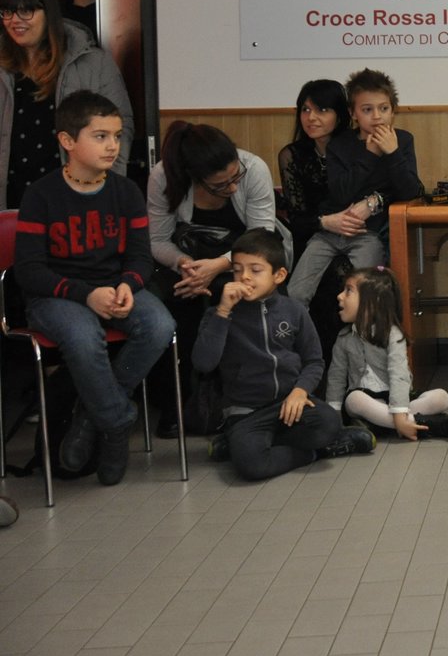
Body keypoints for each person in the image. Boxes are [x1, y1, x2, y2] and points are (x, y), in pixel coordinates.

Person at [14, 90, 175, 487]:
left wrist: (126, 285)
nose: (113, 146)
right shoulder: (41, 195)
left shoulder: (125, 192)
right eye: (100, 136)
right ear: (68, 141)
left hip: (113, 287)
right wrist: (84, 294)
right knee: (84, 336)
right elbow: (29, 271)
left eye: (117, 136)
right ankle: (117, 420)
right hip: (56, 296)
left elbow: (140, 259)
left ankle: (93, 414)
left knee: (160, 324)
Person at [191, 228, 373, 480]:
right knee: (252, 466)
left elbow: (313, 361)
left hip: (290, 404)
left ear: (279, 275)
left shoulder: (294, 310)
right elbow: (203, 363)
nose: (244, 277)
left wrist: (299, 392)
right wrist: (223, 312)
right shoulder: (218, 315)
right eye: (237, 269)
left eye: (255, 270)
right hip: (247, 412)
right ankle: (314, 453)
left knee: (329, 423)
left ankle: (243, 445)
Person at [146, 121, 280, 437]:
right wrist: (187, 265)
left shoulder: (254, 168)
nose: (233, 187)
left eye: (236, 178)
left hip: (248, 258)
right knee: (180, 302)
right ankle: (180, 405)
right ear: (195, 178)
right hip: (189, 261)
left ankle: (246, 402)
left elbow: (263, 235)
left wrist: (218, 266)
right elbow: (157, 239)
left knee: (245, 297)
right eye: (222, 184)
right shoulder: (164, 176)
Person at [286, 69, 423, 306]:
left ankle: (368, 341)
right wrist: (369, 155)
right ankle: (298, 341)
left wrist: (392, 152)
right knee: (296, 293)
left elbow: (411, 191)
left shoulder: (403, 140)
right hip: (327, 235)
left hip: (367, 235)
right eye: (367, 110)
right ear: (353, 113)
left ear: (394, 110)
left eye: (384, 108)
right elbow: (341, 193)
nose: (377, 117)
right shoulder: (340, 145)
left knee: (369, 293)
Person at [0, 0, 133, 209]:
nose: (15, 20)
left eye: (26, 11)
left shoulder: (92, 62)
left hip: (77, 196)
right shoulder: (4, 66)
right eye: (8, 12)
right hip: (12, 197)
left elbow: (121, 126)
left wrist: (107, 185)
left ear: (48, 13)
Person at [328, 267, 448, 440]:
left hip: (396, 397)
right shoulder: (344, 337)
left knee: (441, 397)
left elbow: (399, 375)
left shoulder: (392, 333)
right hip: (366, 400)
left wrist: (399, 413)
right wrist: (333, 416)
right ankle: (429, 424)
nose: (340, 296)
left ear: (372, 302)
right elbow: (336, 377)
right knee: (354, 399)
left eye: (348, 291)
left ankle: (386, 424)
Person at [277, 79, 349, 261]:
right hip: (312, 238)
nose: (311, 117)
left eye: (322, 110)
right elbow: (297, 219)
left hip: (353, 234)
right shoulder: (291, 155)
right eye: (305, 109)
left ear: (340, 115)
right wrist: (325, 222)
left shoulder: (355, 149)